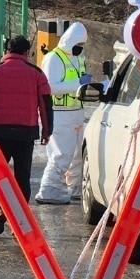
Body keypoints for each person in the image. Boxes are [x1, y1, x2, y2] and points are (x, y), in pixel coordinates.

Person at [0, 35, 53, 236]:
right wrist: (47, 130)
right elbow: (46, 104)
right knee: (22, 175)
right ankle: (17, 217)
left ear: (6, 51)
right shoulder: (36, 74)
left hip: (0, 131)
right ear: (27, 52)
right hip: (26, 132)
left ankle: (0, 207)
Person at [35, 21, 93, 205]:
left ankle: (74, 188)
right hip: (59, 113)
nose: (80, 48)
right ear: (71, 41)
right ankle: (48, 190)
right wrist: (79, 84)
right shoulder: (53, 58)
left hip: (76, 111)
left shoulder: (78, 58)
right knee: (61, 155)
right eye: (78, 45)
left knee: (77, 156)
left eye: (82, 46)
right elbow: (49, 87)